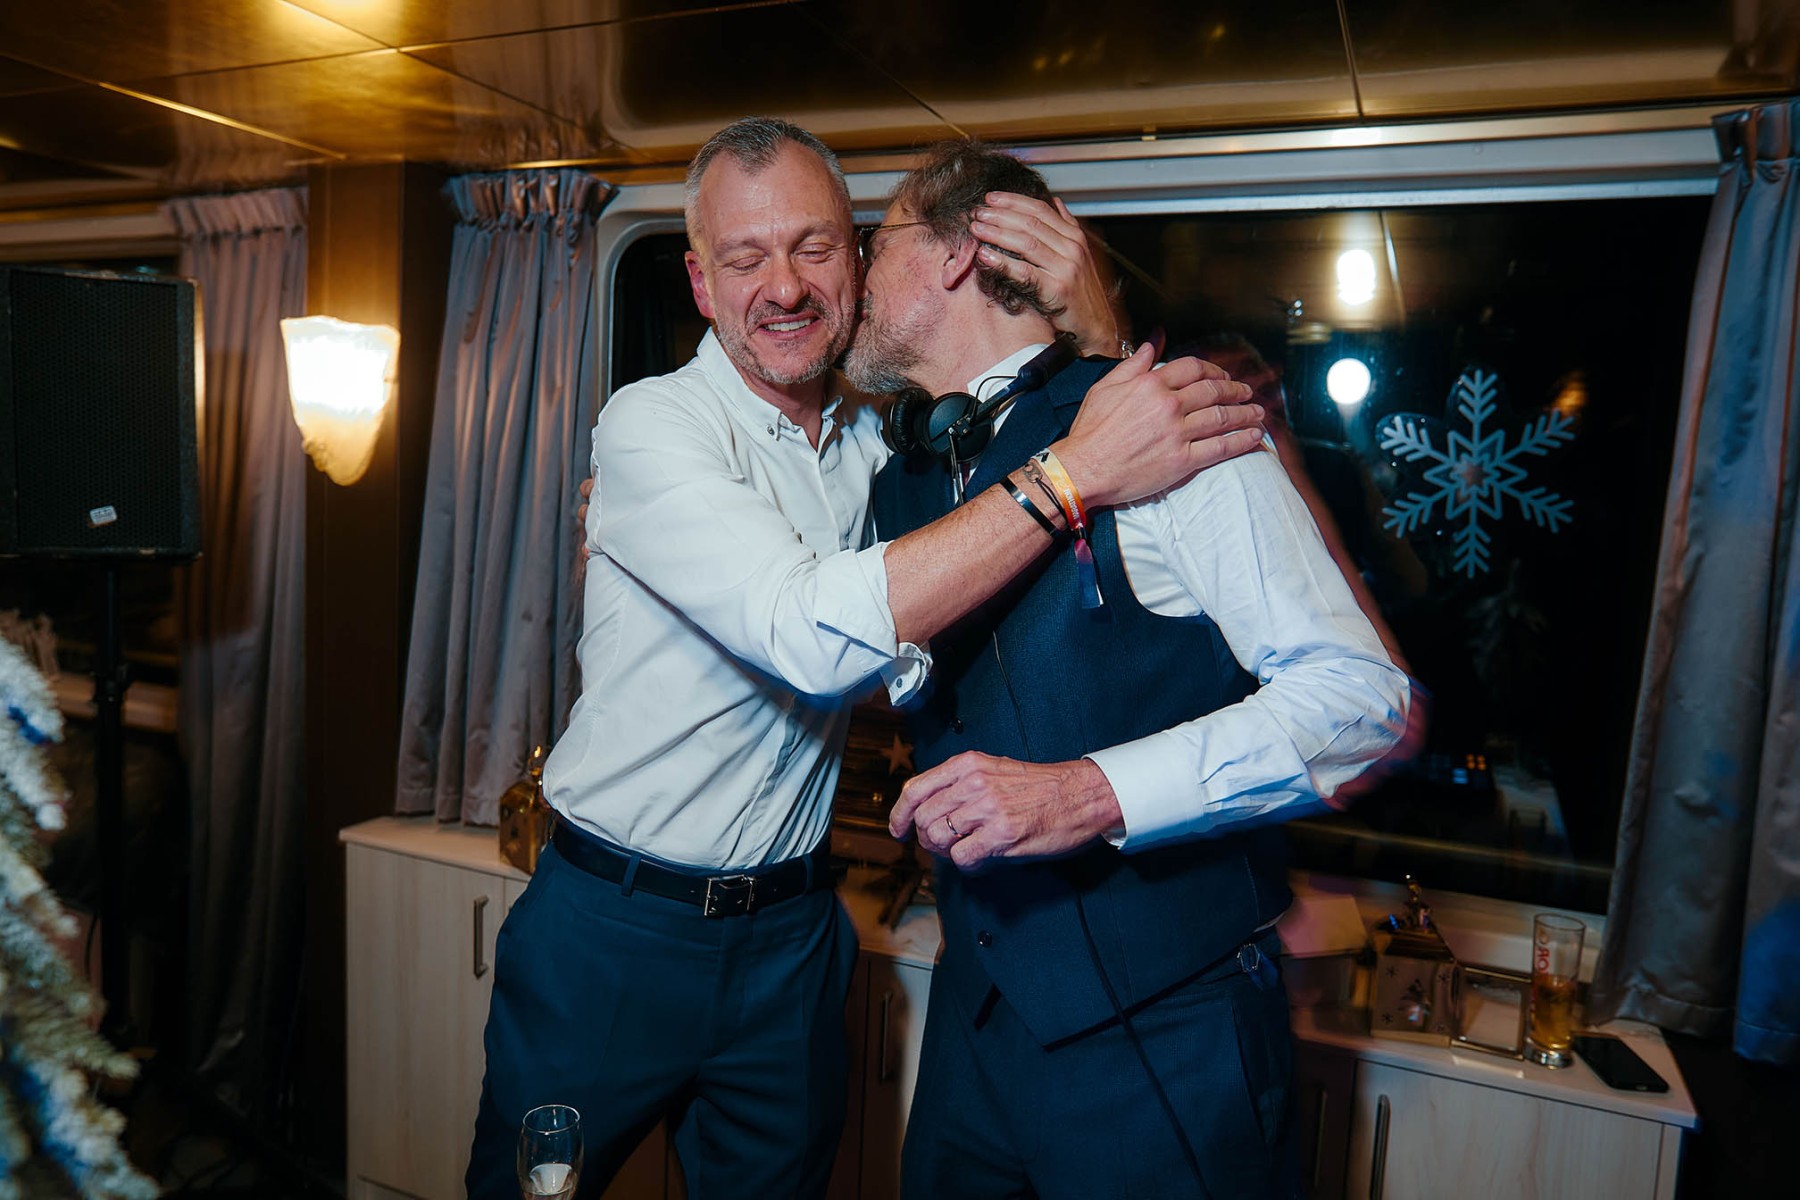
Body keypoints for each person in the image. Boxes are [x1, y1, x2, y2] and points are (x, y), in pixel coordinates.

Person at [464, 117, 1269, 1200]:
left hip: (794, 939)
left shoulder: (892, 445)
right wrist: (1071, 475)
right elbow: (808, 631)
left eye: (812, 247)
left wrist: (1093, 324)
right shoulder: (651, 427)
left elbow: (1025, 452)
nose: (784, 287)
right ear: (701, 285)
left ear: (854, 260)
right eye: (745, 259)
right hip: (613, 925)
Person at [862, 140, 1412, 1199]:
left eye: (876, 241)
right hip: (977, 1023)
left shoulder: (1172, 425)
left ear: (958, 252)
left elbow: (1360, 702)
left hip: (1167, 1035)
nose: (855, 271)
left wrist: (1089, 793)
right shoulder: (902, 479)